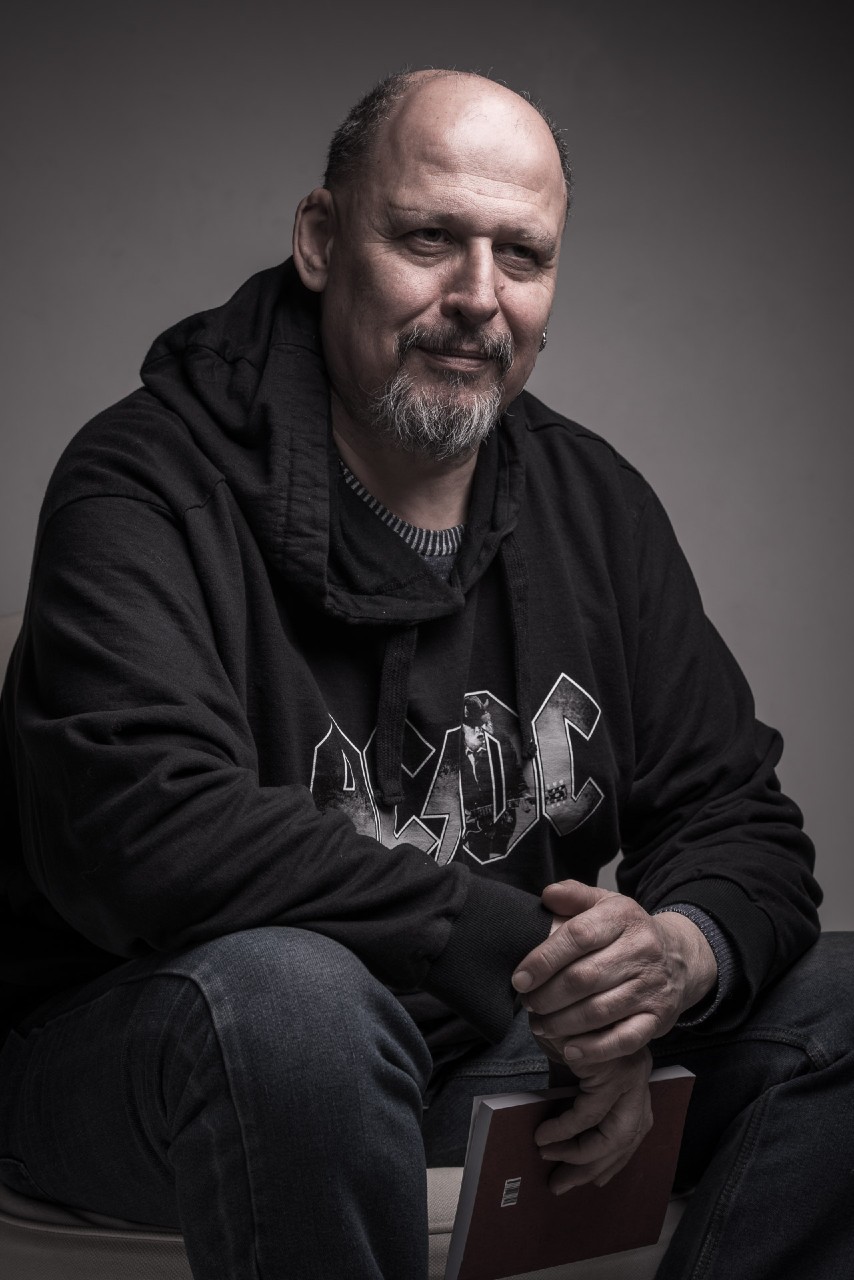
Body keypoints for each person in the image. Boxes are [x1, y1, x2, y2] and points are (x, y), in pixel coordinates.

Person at [0, 68, 851, 1280]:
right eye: (427, 239)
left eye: (522, 255)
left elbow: (734, 813)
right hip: (140, 1054)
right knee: (292, 1004)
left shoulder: (593, 505)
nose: (477, 297)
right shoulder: (140, 484)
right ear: (319, 239)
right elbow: (143, 825)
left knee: (840, 1005)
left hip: (467, 1048)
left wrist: (656, 967)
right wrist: (521, 952)